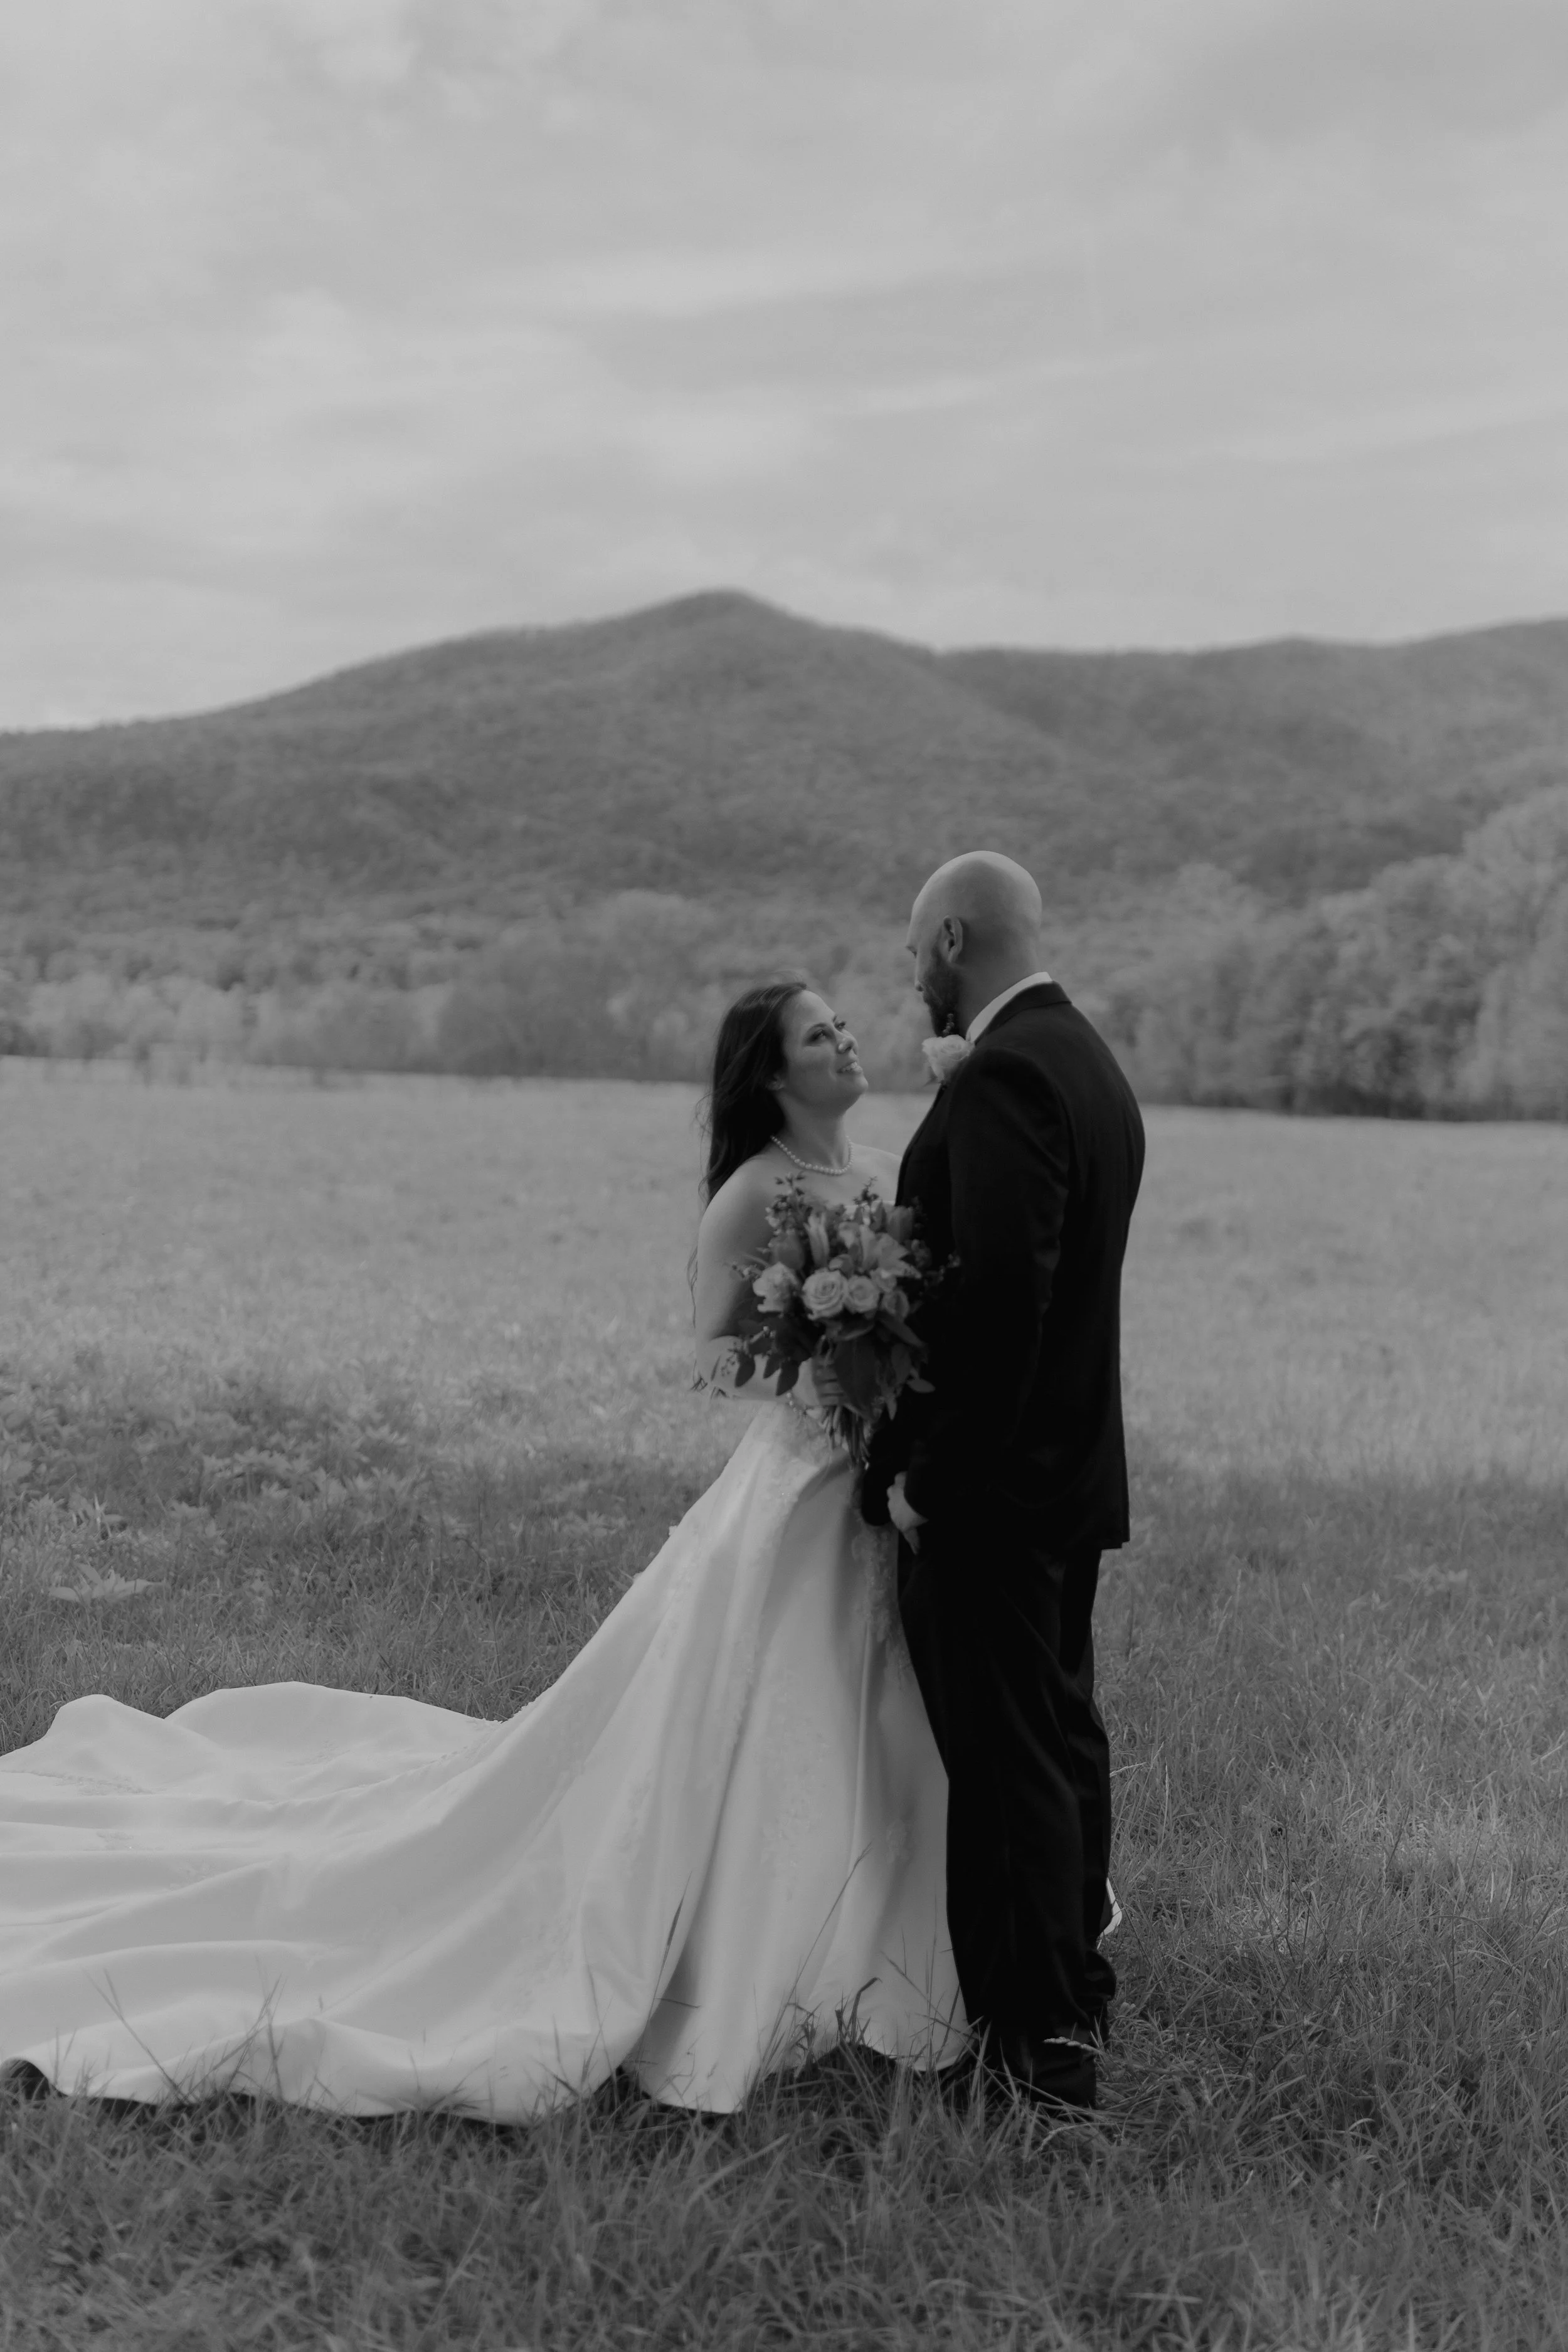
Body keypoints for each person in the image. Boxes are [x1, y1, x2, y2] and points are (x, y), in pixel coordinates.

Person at [0, 982, 963, 2118]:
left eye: (844, 1026)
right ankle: (747, 1955)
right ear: (770, 1075)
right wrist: (808, 1333)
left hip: (875, 1477)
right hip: (795, 1485)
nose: (845, 1040)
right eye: (818, 1035)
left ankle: (898, 1929)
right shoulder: (754, 1194)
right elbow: (709, 1359)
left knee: (887, 1700)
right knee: (771, 1708)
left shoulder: (890, 1165)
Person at [863, 852, 1145, 2112]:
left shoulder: (1010, 1078)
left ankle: (1038, 2054)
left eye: (915, 945)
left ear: (954, 940)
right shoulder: (1083, 1061)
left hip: (999, 1495)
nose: (907, 970)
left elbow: (998, 1309)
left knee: (1009, 1762)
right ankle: (1072, 1992)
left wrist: (931, 1478)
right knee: (1059, 1738)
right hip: (1064, 1480)